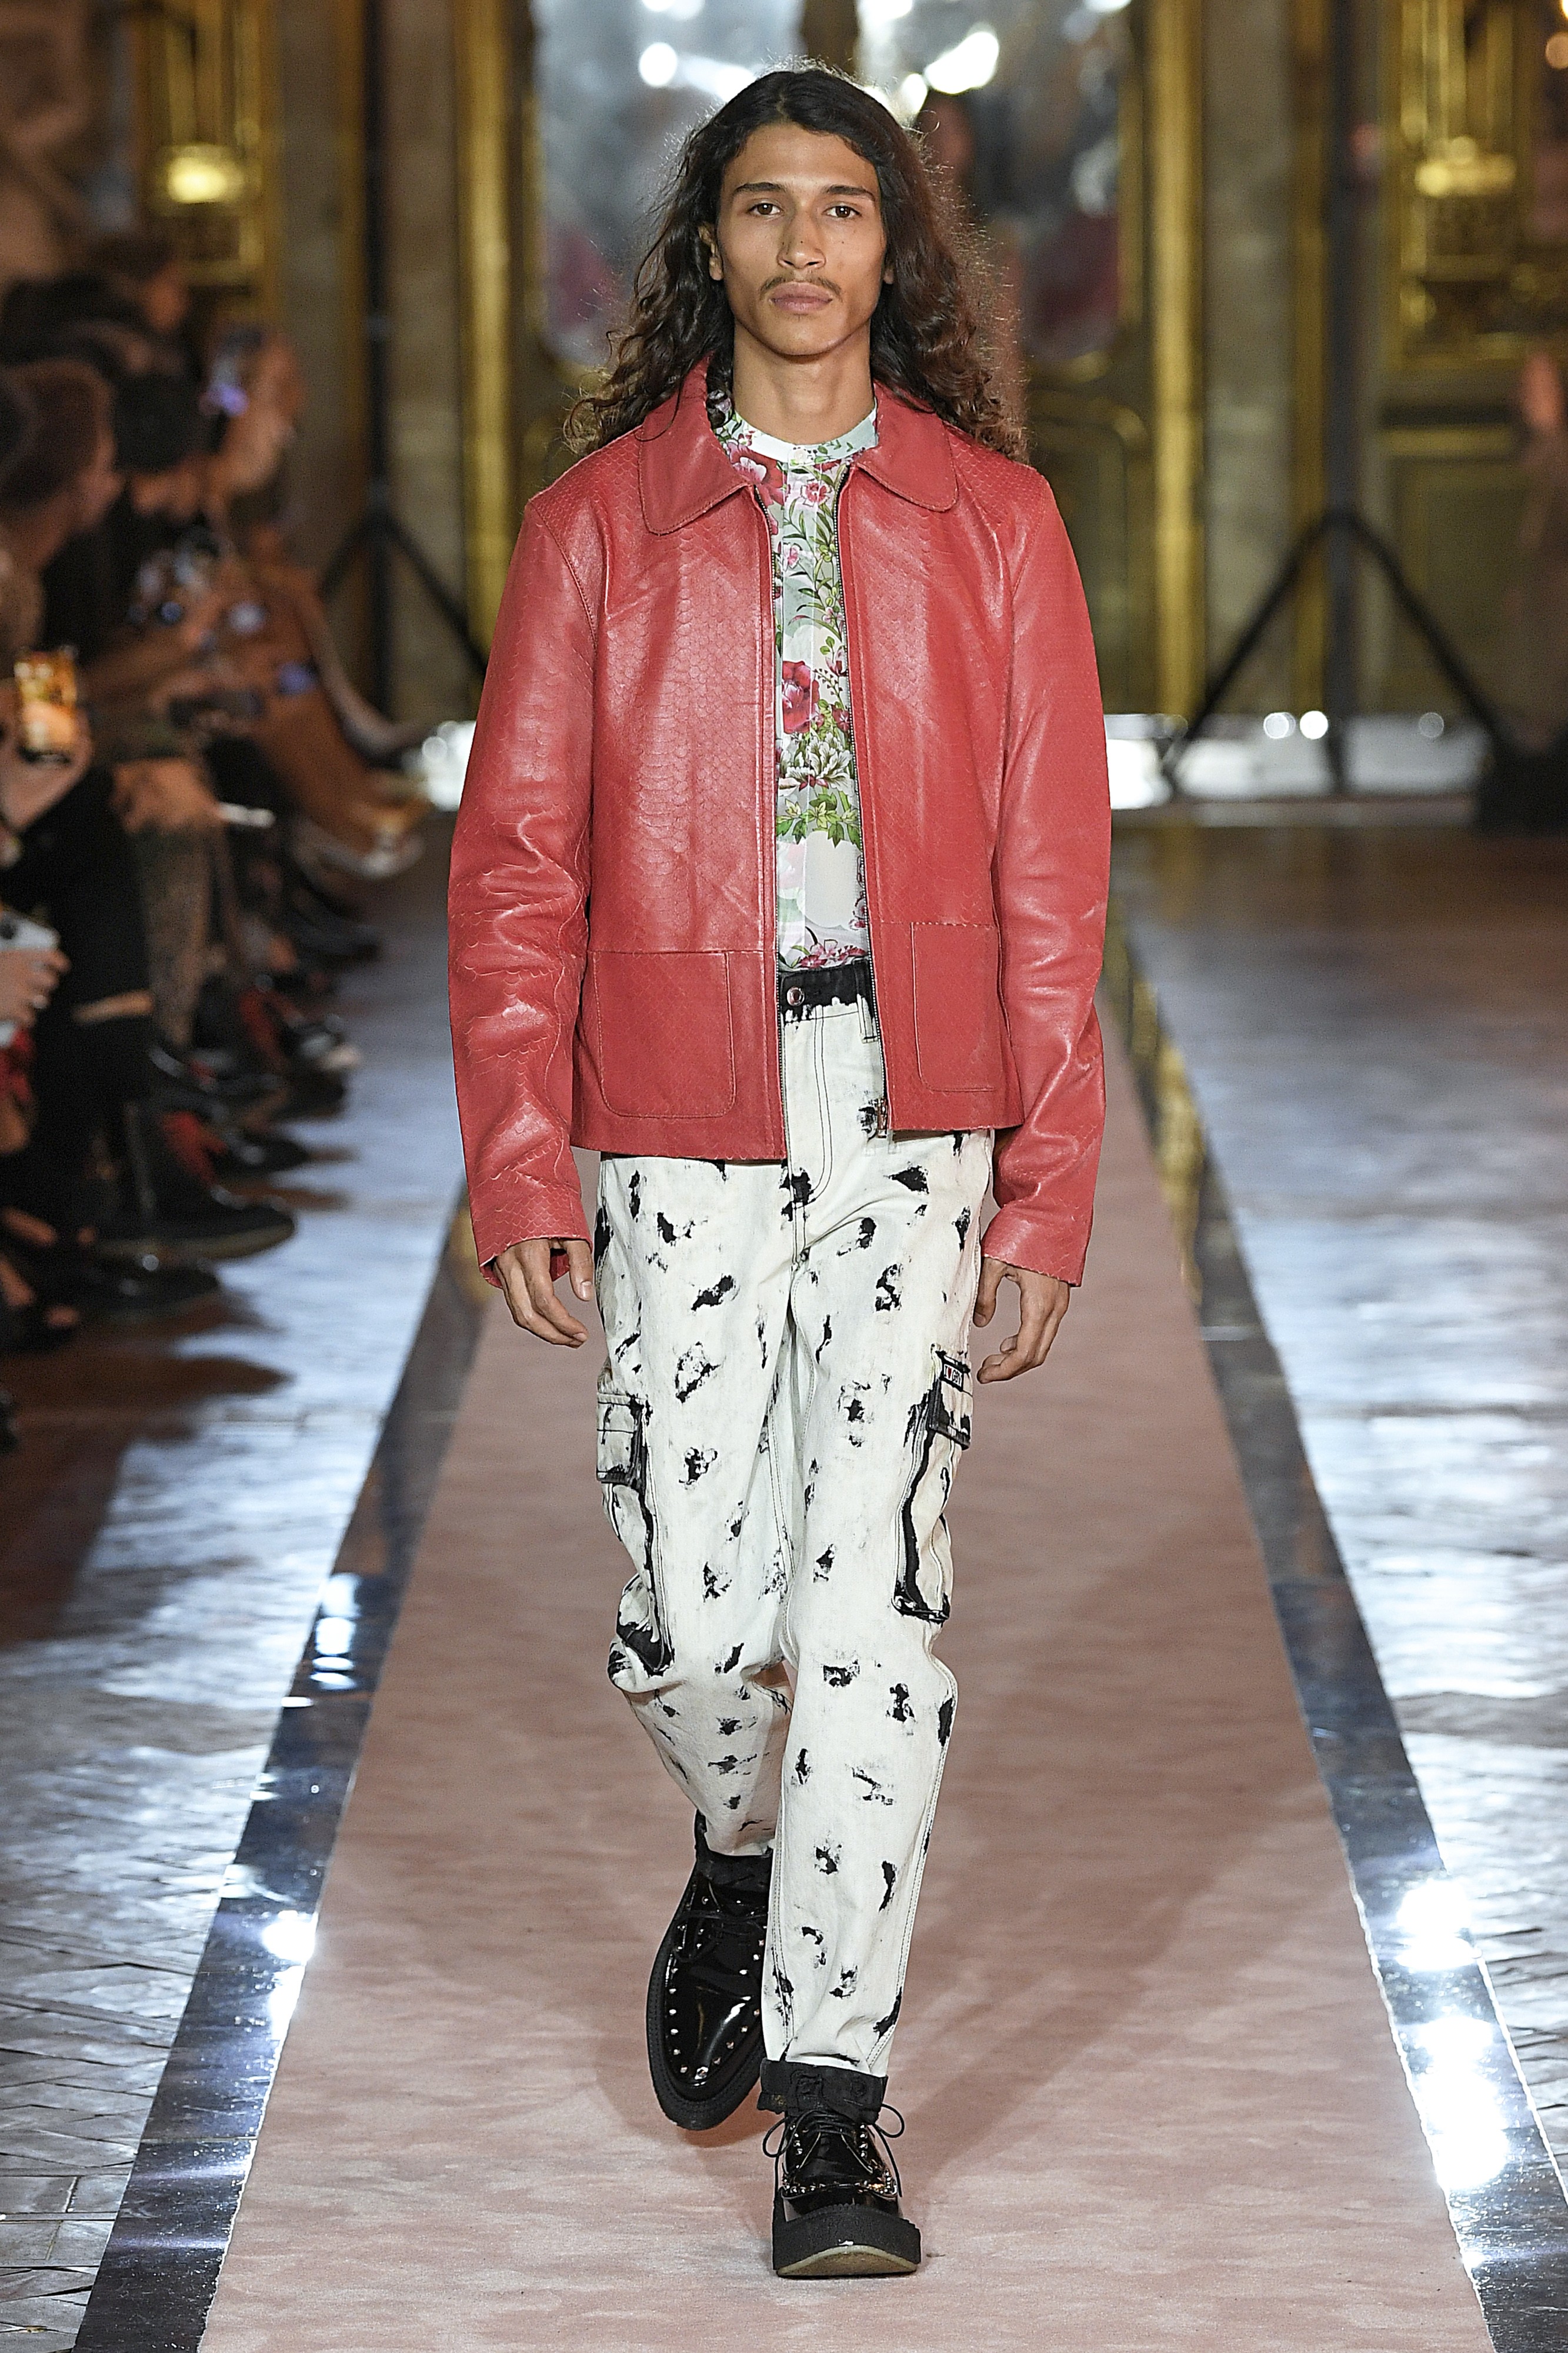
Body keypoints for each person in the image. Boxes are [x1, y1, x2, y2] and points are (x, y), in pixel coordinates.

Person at [448, 66, 1108, 2279]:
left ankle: (834, 2108)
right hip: (673, 1110)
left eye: (843, 207)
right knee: (697, 1618)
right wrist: (519, 1156)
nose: (804, 247)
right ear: (708, 244)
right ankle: (739, 1844)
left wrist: (1046, 1185)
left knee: (875, 1613)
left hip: (915, 1111)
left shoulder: (993, 522)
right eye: (763, 207)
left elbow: (1052, 884)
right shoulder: (595, 527)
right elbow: (517, 865)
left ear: (893, 249)